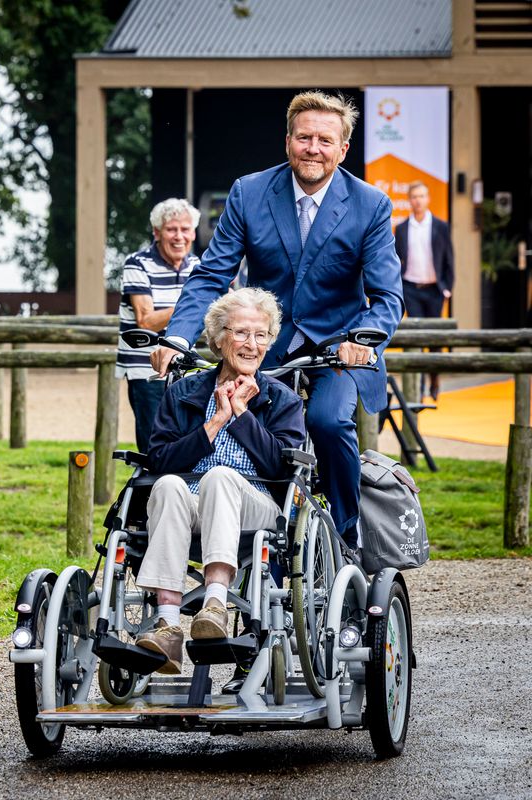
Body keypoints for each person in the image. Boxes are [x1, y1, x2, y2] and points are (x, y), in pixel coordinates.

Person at [151, 90, 403, 550]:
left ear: (343, 149)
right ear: (287, 141)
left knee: (327, 422)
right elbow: (211, 274)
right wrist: (177, 338)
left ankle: (348, 535)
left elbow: (387, 296)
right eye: (304, 137)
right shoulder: (249, 192)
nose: (313, 148)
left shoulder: (371, 204)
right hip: (264, 342)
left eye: (325, 140)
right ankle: (253, 528)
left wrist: (365, 341)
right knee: (229, 415)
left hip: (339, 346)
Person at [135, 289, 306, 672]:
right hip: (189, 506)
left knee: (220, 477)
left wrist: (242, 415)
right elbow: (160, 459)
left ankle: (215, 605)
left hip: (255, 504)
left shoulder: (282, 400)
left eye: (261, 335)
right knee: (167, 485)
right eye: (241, 333)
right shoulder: (184, 393)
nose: (252, 344)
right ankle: (167, 626)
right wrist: (213, 423)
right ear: (216, 339)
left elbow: (281, 467)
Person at [117, 198, 202, 452]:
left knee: (186, 440)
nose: (179, 236)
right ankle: (152, 492)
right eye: (171, 229)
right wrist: (192, 304)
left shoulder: (199, 267)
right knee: (154, 444)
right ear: (156, 232)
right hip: (146, 371)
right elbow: (146, 320)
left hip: (186, 369)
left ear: (194, 233)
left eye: (185, 229)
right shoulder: (138, 263)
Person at [394, 180, 454, 400]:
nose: (418, 200)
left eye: (422, 196)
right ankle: (417, 388)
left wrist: (446, 289)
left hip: (434, 290)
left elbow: (449, 259)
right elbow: (396, 260)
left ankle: (434, 381)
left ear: (428, 199)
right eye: (414, 196)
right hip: (411, 288)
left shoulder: (440, 226)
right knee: (415, 339)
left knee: (435, 340)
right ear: (409, 201)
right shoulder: (401, 228)